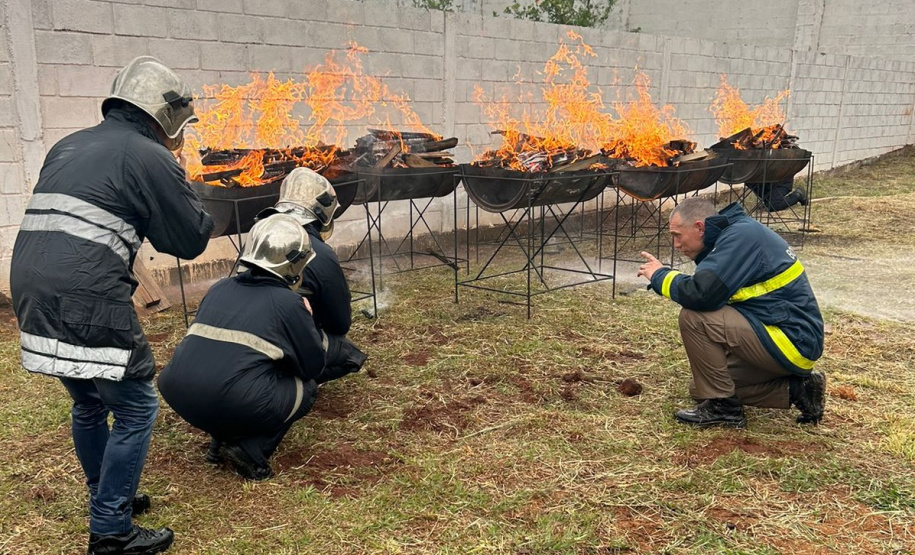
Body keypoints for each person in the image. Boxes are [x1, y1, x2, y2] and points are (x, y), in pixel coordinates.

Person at [10, 56, 214, 555]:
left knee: (88, 400)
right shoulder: (150, 155)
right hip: (86, 292)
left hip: (30, 285)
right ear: (165, 117)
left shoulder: (70, 143)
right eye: (182, 128)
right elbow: (189, 240)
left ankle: (106, 493)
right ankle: (110, 529)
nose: (181, 137)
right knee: (137, 406)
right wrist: (185, 182)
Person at [157, 214, 326, 482]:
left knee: (237, 373)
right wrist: (307, 320)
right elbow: (313, 366)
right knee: (305, 389)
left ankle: (218, 442)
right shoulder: (287, 302)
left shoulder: (219, 287)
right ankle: (251, 451)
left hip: (179, 393)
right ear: (295, 263)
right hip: (228, 400)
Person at [636, 197, 825, 428]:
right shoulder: (735, 235)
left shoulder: (740, 237)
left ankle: (725, 411)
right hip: (781, 335)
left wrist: (659, 275)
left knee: (693, 318)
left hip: (789, 340)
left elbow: (702, 295)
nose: (676, 244)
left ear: (699, 227)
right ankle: (797, 390)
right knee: (700, 389)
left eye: (677, 235)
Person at [257, 167, 368, 384]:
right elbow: (339, 323)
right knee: (348, 355)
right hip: (289, 341)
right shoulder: (321, 253)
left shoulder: (258, 238)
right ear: (321, 212)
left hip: (252, 340)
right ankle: (296, 382)